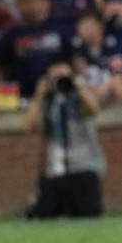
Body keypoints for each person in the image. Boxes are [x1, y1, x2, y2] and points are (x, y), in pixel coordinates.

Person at [23, 59, 105, 219]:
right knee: (45, 214)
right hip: (55, 167)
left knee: (88, 213)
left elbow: (94, 109)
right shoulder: (47, 103)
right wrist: (39, 95)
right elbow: (29, 125)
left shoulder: (79, 99)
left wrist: (77, 84)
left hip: (84, 165)